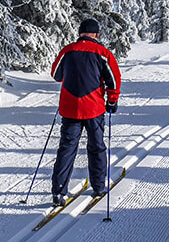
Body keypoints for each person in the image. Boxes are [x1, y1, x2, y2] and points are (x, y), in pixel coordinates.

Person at [49, 17, 121, 206]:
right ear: (96, 34)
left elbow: (55, 74)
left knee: (67, 148)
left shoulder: (67, 50)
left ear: (80, 33)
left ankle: (58, 192)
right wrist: (112, 100)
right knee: (96, 147)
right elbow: (114, 79)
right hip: (94, 108)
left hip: (70, 108)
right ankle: (98, 187)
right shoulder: (103, 53)